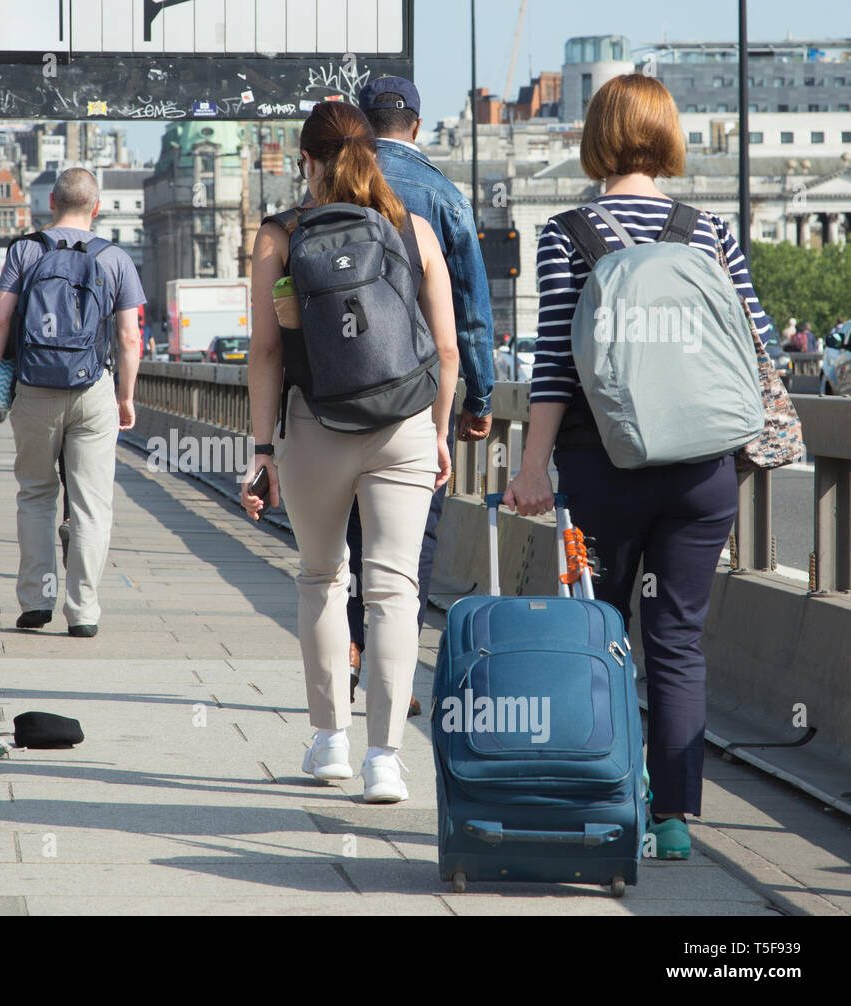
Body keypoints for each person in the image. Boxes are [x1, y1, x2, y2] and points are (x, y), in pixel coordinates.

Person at [502, 74, 771, 860]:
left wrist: (531, 469)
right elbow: (753, 345)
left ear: (595, 137)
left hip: (602, 463)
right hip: (700, 471)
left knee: (600, 634)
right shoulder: (708, 230)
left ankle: (609, 795)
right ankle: (676, 817)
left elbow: (554, 361)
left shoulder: (567, 232)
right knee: (679, 639)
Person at [242, 101, 458, 803]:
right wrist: (440, 431)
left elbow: (268, 351)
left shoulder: (278, 236)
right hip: (403, 426)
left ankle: (330, 740)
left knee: (321, 577)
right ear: (374, 154)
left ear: (307, 161)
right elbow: (448, 350)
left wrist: (263, 447)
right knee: (396, 591)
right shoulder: (413, 229)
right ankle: (386, 760)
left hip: (314, 425)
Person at [339, 75, 496, 707]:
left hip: (339, 395)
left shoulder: (333, 184)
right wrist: (477, 402)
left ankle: (350, 647)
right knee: (409, 539)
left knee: (348, 533)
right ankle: (393, 671)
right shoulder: (443, 195)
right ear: (418, 127)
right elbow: (470, 312)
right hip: (418, 391)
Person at [0, 168, 145, 637]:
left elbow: (0, 322)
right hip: (93, 391)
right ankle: (83, 610)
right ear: (97, 206)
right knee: (91, 504)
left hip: (34, 390)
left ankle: (35, 600)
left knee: (35, 494)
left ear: (50, 201)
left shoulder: (25, 250)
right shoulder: (114, 258)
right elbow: (130, 337)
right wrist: (125, 396)